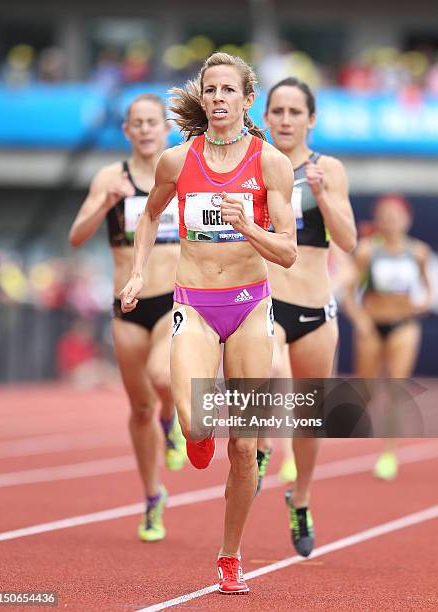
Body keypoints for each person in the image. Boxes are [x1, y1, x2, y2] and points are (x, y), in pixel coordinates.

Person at [120, 52, 297, 594]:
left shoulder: (272, 165)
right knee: (197, 425)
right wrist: (136, 272)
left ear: (247, 101)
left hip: (249, 305)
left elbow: (287, 252)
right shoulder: (176, 162)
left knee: (244, 446)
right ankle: (196, 434)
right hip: (194, 303)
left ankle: (229, 556)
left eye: (228, 90)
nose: (218, 98)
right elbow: (150, 215)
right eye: (211, 90)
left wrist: (249, 227)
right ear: (203, 100)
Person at [69, 94, 185, 542]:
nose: (144, 129)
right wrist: (104, 204)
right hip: (128, 306)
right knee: (138, 407)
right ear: (126, 131)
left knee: (162, 375)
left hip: (174, 297)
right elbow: (77, 236)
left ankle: (171, 416)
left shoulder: (180, 172)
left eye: (151, 121)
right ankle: (153, 496)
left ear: (165, 127)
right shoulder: (109, 177)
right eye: (136, 123)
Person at [256, 77, 357, 557]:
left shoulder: (327, 168)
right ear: (265, 117)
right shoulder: (253, 163)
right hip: (266, 300)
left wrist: (325, 194)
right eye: (277, 111)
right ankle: (258, 450)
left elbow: (350, 240)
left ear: (311, 119)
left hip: (317, 309)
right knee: (271, 372)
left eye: (295, 112)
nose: (286, 120)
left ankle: (300, 499)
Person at [344, 194, 432, 479]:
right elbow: (348, 294)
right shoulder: (368, 251)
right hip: (372, 324)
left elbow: (429, 288)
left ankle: (389, 453)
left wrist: (424, 301)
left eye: (396, 215)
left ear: (407, 219)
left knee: (394, 387)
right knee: (367, 389)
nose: (391, 221)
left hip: (403, 326)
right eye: (385, 215)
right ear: (379, 219)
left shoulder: (418, 252)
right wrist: (361, 321)